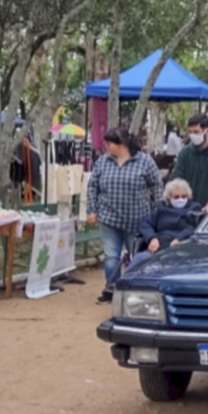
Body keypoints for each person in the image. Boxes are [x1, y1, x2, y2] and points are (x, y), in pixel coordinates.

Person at [86, 128, 162, 303]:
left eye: (109, 143)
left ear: (122, 145)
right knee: (111, 256)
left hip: (138, 220)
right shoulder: (103, 162)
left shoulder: (145, 161)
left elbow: (156, 187)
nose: (106, 147)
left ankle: (135, 290)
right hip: (109, 218)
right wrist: (92, 209)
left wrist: (157, 214)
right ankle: (111, 289)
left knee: (137, 257)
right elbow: (93, 186)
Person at [128, 179, 202, 272]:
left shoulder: (194, 209)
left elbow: (193, 227)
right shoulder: (161, 208)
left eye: (184, 196)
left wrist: (179, 239)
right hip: (158, 248)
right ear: (169, 197)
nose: (180, 199)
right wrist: (152, 238)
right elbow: (145, 224)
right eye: (176, 197)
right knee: (139, 259)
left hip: (183, 249)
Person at [170, 113, 208, 214]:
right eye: (190, 132)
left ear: (207, 131)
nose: (193, 135)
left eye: (196, 132)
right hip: (187, 211)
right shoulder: (185, 153)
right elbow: (177, 179)